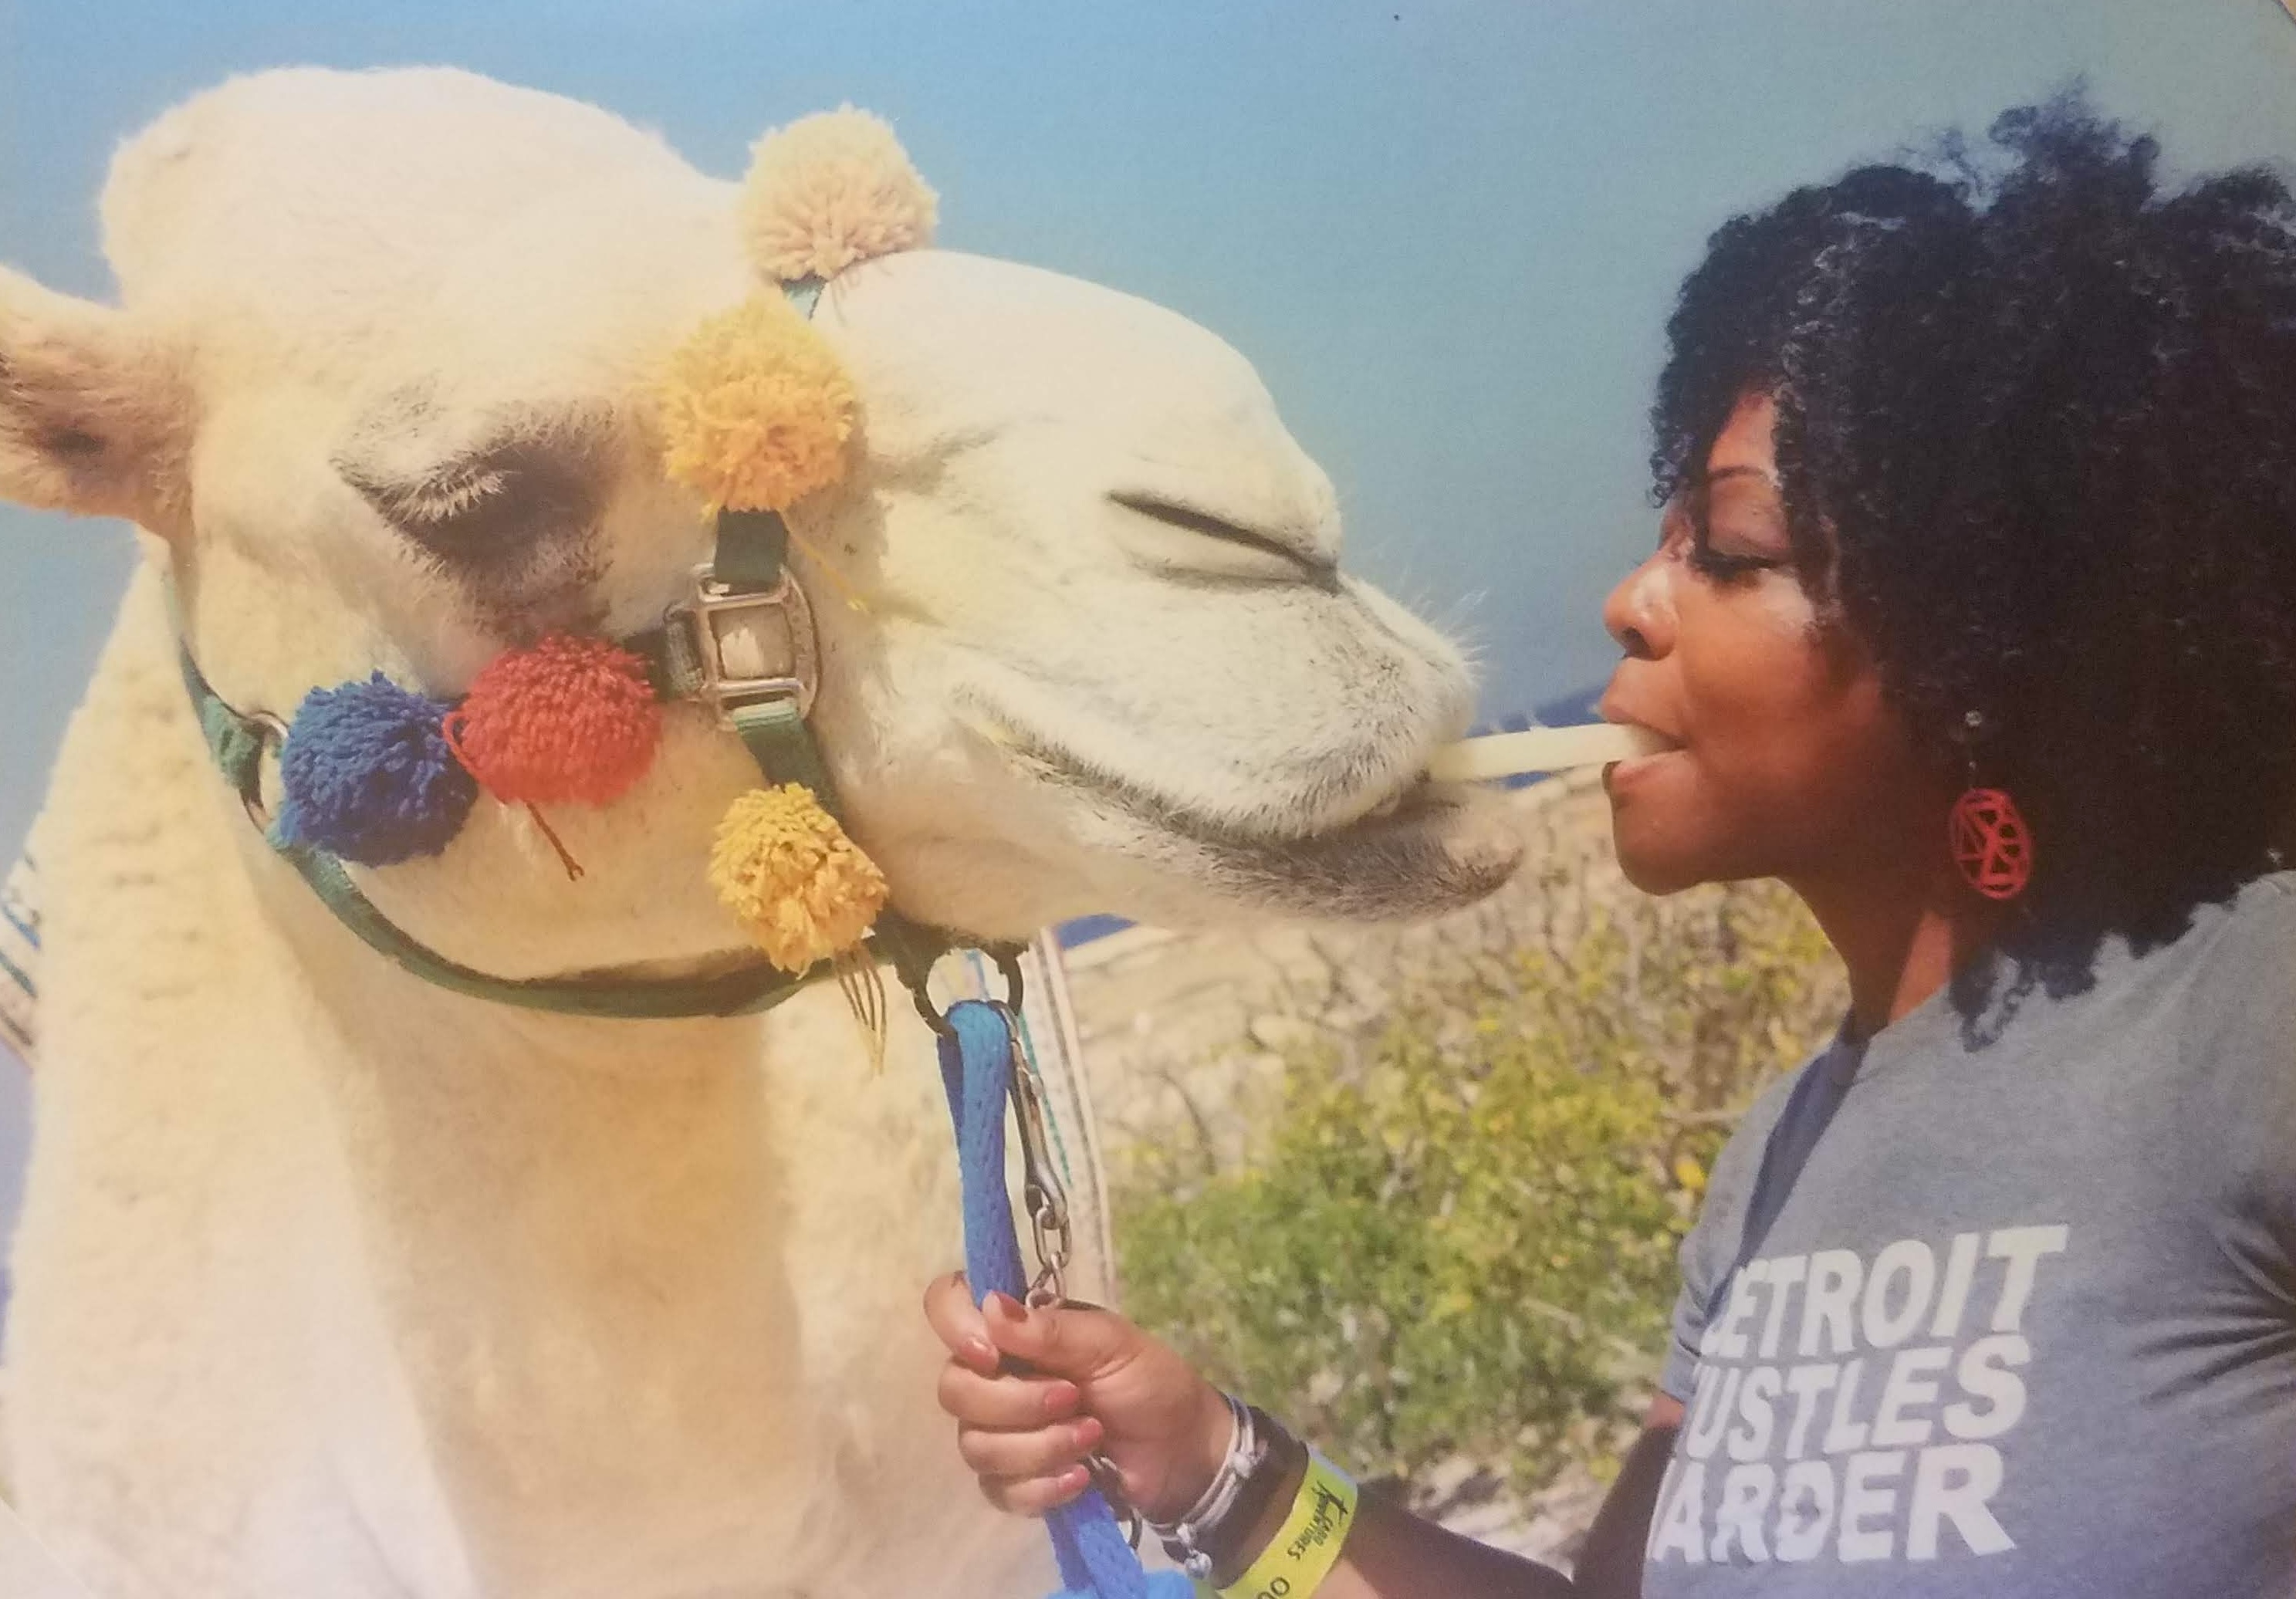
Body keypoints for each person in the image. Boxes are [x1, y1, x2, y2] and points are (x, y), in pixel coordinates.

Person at [923, 96, 2296, 1597]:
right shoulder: (1777, 1162)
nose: (1633, 602)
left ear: (1978, 637)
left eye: (1732, 550)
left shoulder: (2249, 1024)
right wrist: (1211, 1464)